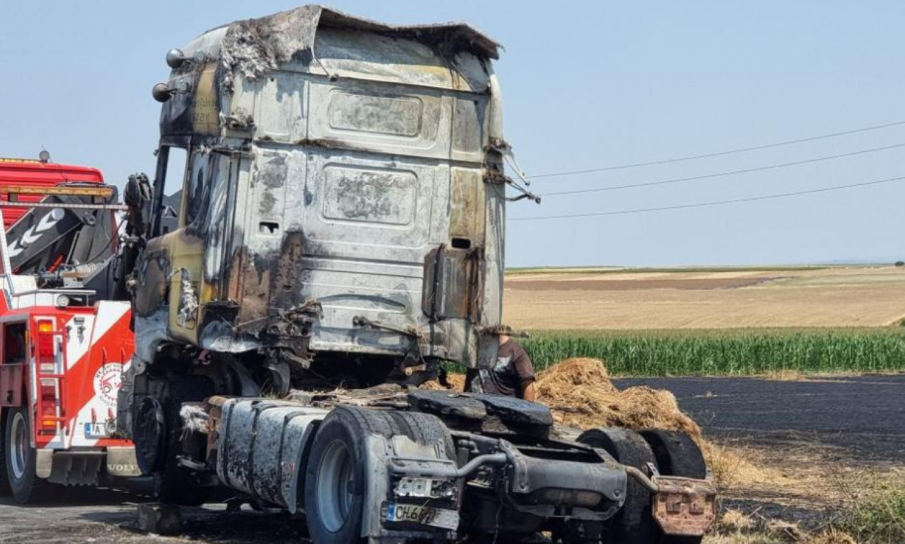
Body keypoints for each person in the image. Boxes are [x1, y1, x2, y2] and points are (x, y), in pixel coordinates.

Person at [464, 331, 536, 401]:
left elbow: (528, 386)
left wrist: (526, 411)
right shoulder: (475, 349)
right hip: (473, 408)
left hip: (503, 411)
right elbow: (470, 382)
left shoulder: (516, 353)